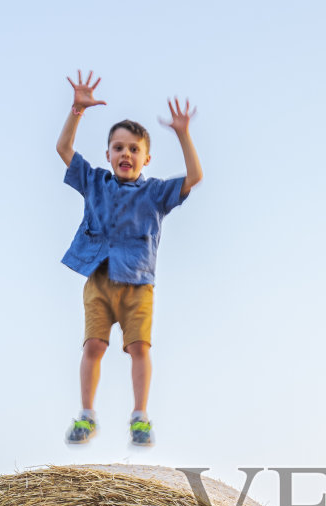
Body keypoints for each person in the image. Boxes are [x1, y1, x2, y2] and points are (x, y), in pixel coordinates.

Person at [55, 71, 203, 446]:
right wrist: (77, 110)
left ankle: (140, 416)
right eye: (118, 148)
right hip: (99, 278)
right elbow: (63, 149)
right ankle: (87, 415)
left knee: (139, 347)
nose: (126, 154)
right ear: (108, 155)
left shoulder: (155, 193)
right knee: (93, 346)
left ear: (146, 158)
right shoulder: (95, 182)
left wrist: (183, 134)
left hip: (138, 283)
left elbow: (195, 176)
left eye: (134, 149)